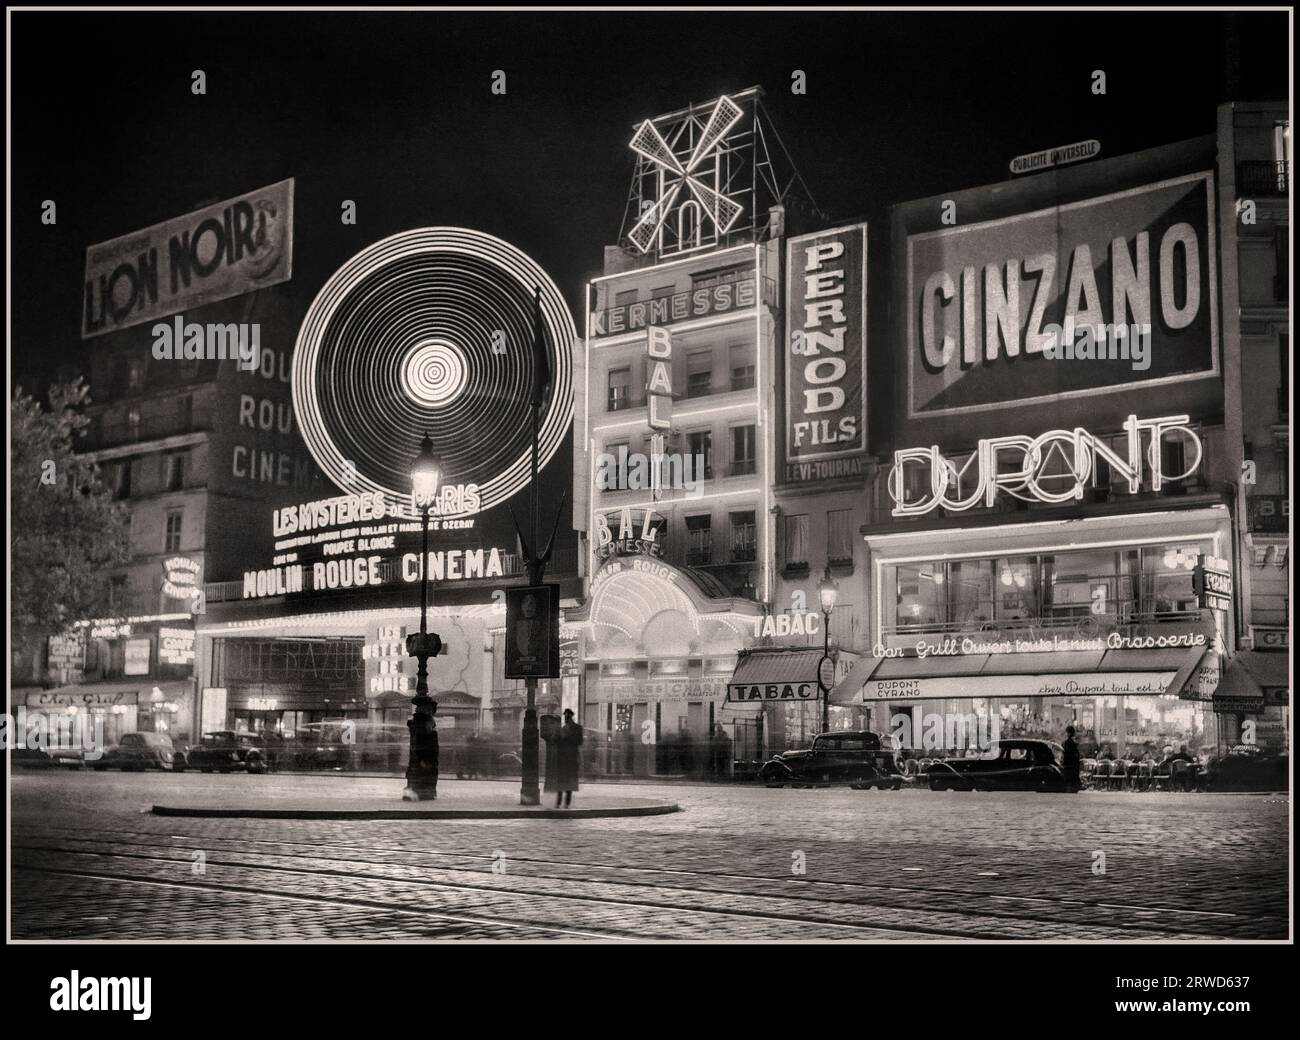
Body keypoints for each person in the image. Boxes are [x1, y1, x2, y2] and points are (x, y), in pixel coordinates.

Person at [554, 709, 583, 808]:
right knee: (561, 781)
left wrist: (567, 736)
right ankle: (558, 802)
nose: (567, 719)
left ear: (571, 717)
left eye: (568, 717)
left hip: (571, 758)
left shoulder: (578, 728)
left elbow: (579, 741)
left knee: (570, 782)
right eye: (566, 717)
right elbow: (555, 741)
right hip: (562, 759)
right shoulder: (562, 729)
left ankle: (566, 803)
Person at [1062, 725, 1081, 793]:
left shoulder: (1067, 743)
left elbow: (1065, 754)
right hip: (1073, 765)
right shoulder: (1072, 743)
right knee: (1072, 780)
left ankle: (1070, 790)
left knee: (1069, 780)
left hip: (1068, 765)